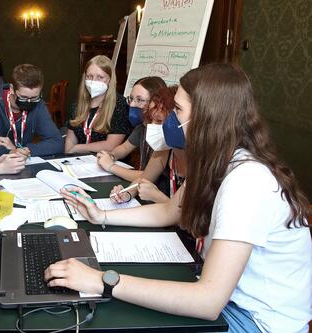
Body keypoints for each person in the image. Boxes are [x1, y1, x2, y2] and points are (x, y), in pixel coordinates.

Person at [48, 63, 311, 333]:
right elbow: (169, 212)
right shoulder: (217, 161)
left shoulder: (247, 181)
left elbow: (208, 301)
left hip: (255, 320)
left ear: (208, 117)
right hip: (230, 302)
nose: (170, 118)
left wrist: (103, 281)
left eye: (178, 110)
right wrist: (101, 215)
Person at [0, 64, 64, 158]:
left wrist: (24, 151)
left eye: (34, 97)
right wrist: (9, 152)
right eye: (23, 97)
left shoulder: (39, 105)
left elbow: (57, 142)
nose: (29, 102)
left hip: (22, 160)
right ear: (11, 89)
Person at [96, 77, 168, 182]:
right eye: (131, 99)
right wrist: (111, 155)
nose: (132, 105)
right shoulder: (142, 127)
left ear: (156, 103)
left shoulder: (162, 134)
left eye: (139, 100)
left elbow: (148, 176)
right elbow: (124, 148)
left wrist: (110, 166)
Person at [65, 55, 132, 154]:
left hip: (108, 162)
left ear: (110, 79)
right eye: (89, 76)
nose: (93, 81)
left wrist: (76, 148)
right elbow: (70, 140)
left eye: (100, 77)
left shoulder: (120, 105)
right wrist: (69, 151)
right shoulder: (78, 104)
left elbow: (111, 146)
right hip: (79, 162)